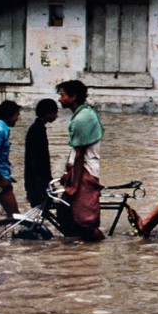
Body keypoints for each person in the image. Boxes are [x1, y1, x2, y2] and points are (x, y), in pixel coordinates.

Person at [57, 80, 105, 242]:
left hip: (85, 172)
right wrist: (66, 172)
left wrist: (75, 186)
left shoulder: (81, 119)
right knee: (65, 213)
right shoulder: (85, 114)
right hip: (80, 170)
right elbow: (75, 151)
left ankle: (98, 248)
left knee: (87, 223)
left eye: (62, 95)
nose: (60, 99)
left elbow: (79, 155)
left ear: (73, 96)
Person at [24, 98, 59, 207]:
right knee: (41, 209)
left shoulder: (38, 128)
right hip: (37, 181)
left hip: (38, 180)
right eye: (54, 113)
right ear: (48, 113)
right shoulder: (37, 130)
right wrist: (41, 181)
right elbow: (34, 158)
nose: (56, 116)